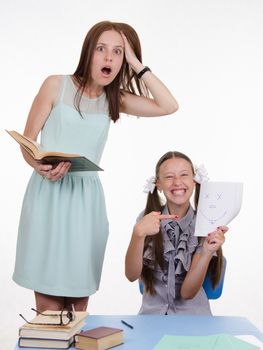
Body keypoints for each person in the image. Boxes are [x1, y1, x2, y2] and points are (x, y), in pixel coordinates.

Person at [12, 21, 178, 312]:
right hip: (48, 196)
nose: (108, 58)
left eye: (117, 52)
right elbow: (27, 142)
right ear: (88, 52)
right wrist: (39, 166)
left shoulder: (115, 99)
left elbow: (168, 105)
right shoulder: (55, 85)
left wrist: (137, 63)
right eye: (101, 49)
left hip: (86, 202)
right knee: (49, 309)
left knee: (78, 307)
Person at [125, 151, 227, 315]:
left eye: (184, 175)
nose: (177, 182)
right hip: (151, 319)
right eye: (169, 177)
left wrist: (207, 252)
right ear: (158, 184)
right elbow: (131, 275)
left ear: (194, 181)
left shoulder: (205, 223)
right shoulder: (146, 220)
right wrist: (137, 235)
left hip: (193, 318)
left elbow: (187, 293)